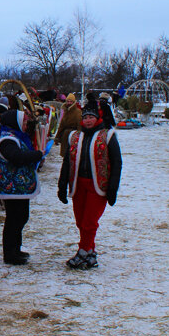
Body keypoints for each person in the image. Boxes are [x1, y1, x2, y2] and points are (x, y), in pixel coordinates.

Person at [57, 96, 122, 269]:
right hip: (78, 185)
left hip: (98, 186)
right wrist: (62, 186)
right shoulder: (75, 137)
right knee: (80, 221)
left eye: (90, 117)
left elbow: (117, 163)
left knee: (89, 222)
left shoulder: (108, 136)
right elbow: (67, 162)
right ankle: (90, 253)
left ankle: (83, 251)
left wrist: (113, 189)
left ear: (98, 117)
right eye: (85, 117)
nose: (87, 120)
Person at [0, 109, 44, 265]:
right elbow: (16, 157)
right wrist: (37, 154)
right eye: (23, 121)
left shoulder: (14, 137)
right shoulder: (7, 140)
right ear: (14, 122)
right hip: (12, 188)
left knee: (20, 217)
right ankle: (10, 254)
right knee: (14, 220)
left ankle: (16, 249)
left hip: (18, 188)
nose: (26, 124)